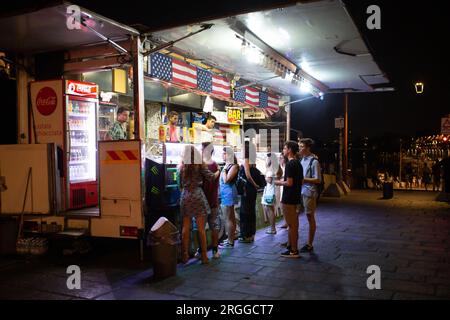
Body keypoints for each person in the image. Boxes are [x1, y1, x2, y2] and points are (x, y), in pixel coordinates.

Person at [178, 145, 220, 264]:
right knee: (201, 229)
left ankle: (185, 256)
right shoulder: (200, 166)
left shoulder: (181, 168)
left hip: (185, 196)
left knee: (185, 228)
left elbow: (179, 185)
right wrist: (218, 171)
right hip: (197, 195)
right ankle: (204, 256)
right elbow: (211, 177)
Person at [274, 141, 303, 258]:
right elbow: (300, 181)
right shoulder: (298, 164)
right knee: (294, 224)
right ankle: (291, 247)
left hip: (289, 197)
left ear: (290, 150)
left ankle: (293, 250)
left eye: (285, 148)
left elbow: (289, 183)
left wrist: (278, 182)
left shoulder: (290, 164)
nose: (283, 151)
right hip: (295, 196)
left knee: (291, 225)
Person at [298, 138, 322, 253]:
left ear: (307, 148)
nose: (299, 148)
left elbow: (318, 179)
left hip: (309, 192)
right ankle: (292, 240)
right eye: (299, 146)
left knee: (310, 217)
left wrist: (303, 180)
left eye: (301, 146)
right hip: (301, 191)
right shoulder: (302, 160)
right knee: (297, 215)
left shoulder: (314, 161)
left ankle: (309, 244)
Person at [239, 141, 262, 243]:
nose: (241, 150)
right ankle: (251, 234)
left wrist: (254, 184)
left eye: (243, 148)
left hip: (247, 189)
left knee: (245, 212)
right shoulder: (253, 161)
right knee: (251, 212)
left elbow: (248, 175)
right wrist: (255, 186)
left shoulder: (246, 160)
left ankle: (246, 235)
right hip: (251, 190)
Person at [200, 142, 220, 259]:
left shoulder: (200, 165)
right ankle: (215, 250)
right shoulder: (216, 165)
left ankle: (202, 251)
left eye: (202, 149)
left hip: (203, 201)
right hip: (213, 200)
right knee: (214, 225)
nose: (201, 150)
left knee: (201, 227)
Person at [218, 147, 239, 248]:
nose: (222, 155)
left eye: (224, 153)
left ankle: (230, 241)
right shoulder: (228, 165)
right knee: (230, 217)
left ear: (229, 155)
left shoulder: (233, 166)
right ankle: (230, 239)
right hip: (225, 193)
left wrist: (224, 170)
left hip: (229, 193)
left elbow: (226, 180)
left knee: (228, 218)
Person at [262, 170, 277, 234]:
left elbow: (270, 180)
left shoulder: (270, 172)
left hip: (270, 193)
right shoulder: (270, 171)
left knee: (270, 210)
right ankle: (272, 228)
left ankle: (273, 229)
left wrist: (265, 177)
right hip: (269, 191)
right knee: (269, 209)